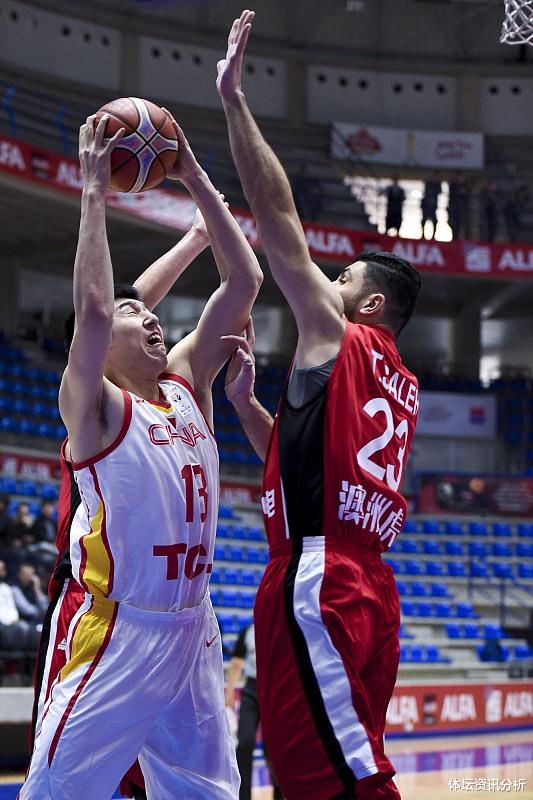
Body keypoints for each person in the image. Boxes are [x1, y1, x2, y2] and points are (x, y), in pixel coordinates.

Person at [20, 108, 262, 799]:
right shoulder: (94, 405)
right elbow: (97, 312)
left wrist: (191, 175)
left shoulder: (187, 384)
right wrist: (93, 192)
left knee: (205, 790)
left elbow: (242, 284)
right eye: (136, 314)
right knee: (58, 791)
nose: (151, 315)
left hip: (194, 629)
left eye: (152, 314)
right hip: (119, 628)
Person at [218, 11, 421, 800]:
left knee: (335, 779)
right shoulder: (398, 380)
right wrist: (245, 410)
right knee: (345, 759)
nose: (321, 286)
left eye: (338, 281)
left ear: (367, 305)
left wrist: (233, 101)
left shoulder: (340, 334)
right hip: (369, 582)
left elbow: (276, 220)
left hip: (320, 578)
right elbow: (319, 462)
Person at [30, 209, 215, 800]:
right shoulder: (97, 404)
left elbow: (133, 308)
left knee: (154, 776)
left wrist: (196, 239)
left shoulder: (140, 386)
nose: (137, 314)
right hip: (89, 598)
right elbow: (111, 314)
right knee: (68, 769)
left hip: (164, 614)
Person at [226, 623, 283, 800]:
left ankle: (280, 795)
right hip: (250, 690)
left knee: (274, 749)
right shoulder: (247, 631)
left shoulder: (278, 630)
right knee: (245, 742)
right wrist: (229, 692)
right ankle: (243, 797)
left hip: (273, 689)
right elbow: (236, 663)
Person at [447, 173, 469, 240]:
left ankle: (459, 239)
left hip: (461, 211)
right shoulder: (453, 187)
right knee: (453, 226)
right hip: (454, 211)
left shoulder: (465, 186)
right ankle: (454, 239)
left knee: (461, 226)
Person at [420, 175, 441, 240]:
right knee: (423, 221)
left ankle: (433, 237)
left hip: (433, 209)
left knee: (434, 222)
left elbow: (439, 190)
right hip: (426, 209)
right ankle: (422, 235)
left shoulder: (437, 187)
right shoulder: (428, 185)